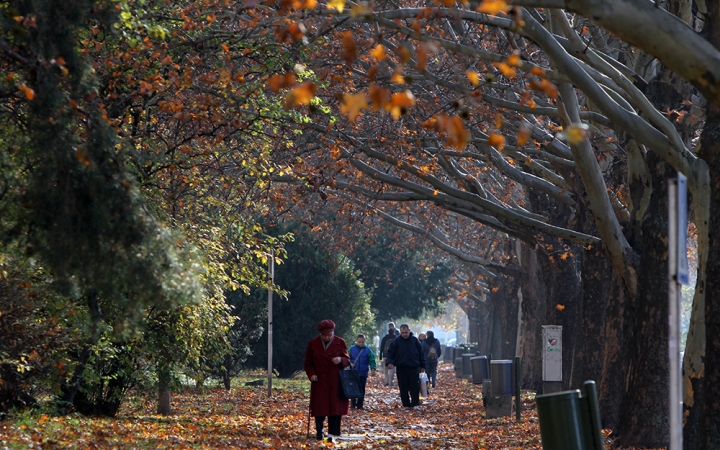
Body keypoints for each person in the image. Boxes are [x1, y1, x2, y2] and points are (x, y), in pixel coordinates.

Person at [304, 319, 350, 442]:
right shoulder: (312, 343)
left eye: (329, 335)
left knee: (335, 409)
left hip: (336, 381)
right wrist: (312, 374)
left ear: (333, 333)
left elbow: (348, 360)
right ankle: (320, 432)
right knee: (320, 408)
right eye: (324, 335)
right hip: (319, 381)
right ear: (320, 334)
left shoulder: (340, 342)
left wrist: (341, 360)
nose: (327, 337)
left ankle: (332, 435)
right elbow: (308, 363)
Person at [385, 324, 426, 408]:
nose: (404, 334)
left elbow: (421, 354)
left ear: (409, 331)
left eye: (406, 332)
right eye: (402, 333)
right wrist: (389, 362)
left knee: (414, 387)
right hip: (401, 367)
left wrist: (423, 365)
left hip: (413, 367)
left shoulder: (415, 341)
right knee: (403, 387)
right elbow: (391, 353)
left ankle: (415, 403)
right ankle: (406, 404)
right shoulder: (396, 341)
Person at [348, 334, 376, 410]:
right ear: (356, 341)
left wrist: (373, 368)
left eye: (362, 342)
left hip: (363, 372)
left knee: (361, 388)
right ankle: (353, 403)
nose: (360, 343)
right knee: (353, 388)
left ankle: (360, 404)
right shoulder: (352, 349)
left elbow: (372, 359)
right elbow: (346, 357)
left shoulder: (368, 350)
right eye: (359, 342)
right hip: (353, 372)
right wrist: (350, 363)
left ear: (365, 341)